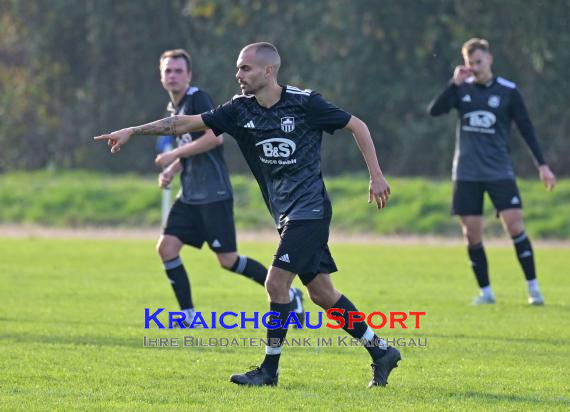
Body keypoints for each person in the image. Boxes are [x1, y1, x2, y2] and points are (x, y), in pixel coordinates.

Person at [95, 42, 400, 388]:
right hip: (285, 213)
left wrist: (376, 174)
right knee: (321, 293)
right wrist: (133, 131)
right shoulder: (240, 110)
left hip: (311, 211)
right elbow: (183, 123)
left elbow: (357, 125)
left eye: (245, 68)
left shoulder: (305, 103)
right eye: (238, 68)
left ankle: (268, 371)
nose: (238, 74)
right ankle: (382, 352)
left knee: (276, 283)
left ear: (269, 72)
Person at [148, 49, 304, 326]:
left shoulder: (197, 98)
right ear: (161, 77)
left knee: (228, 260)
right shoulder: (174, 108)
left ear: (189, 75)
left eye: (178, 71)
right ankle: (188, 316)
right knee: (167, 247)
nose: (172, 76)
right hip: (190, 194)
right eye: (167, 71)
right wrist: (173, 168)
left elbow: (214, 139)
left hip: (213, 194)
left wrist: (172, 156)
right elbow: (189, 149)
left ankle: (290, 294)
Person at [427, 38, 556, 306]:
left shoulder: (508, 91)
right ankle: (486, 292)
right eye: (469, 63)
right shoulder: (461, 90)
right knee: (472, 234)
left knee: (514, 225)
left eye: (478, 61)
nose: (474, 67)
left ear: (489, 58)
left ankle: (534, 289)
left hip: (499, 172)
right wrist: (454, 83)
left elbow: (526, 129)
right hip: (466, 173)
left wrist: (542, 166)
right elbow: (434, 111)